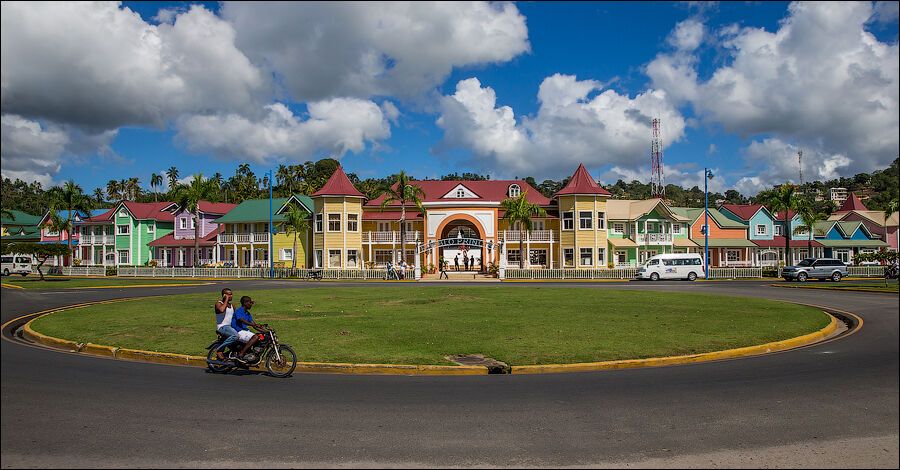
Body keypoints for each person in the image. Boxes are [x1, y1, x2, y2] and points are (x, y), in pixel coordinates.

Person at [231, 295, 267, 363]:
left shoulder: (248, 313)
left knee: (259, 337)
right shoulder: (239, 311)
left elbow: (255, 326)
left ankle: (251, 355)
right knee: (255, 337)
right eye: (250, 303)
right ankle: (241, 353)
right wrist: (253, 324)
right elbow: (242, 320)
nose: (251, 304)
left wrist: (266, 331)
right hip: (238, 331)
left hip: (245, 331)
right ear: (245, 303)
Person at [214, 288, 239, 361]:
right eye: (228, 294)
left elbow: (236, 317)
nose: (231, 296)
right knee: (235, 336)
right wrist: (226, 300)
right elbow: (221, 310)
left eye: (231, 294)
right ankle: (219, 350)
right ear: (224, 295)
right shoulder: (219, 303)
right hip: (222, 327)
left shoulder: (232, 306)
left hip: (230, 327)